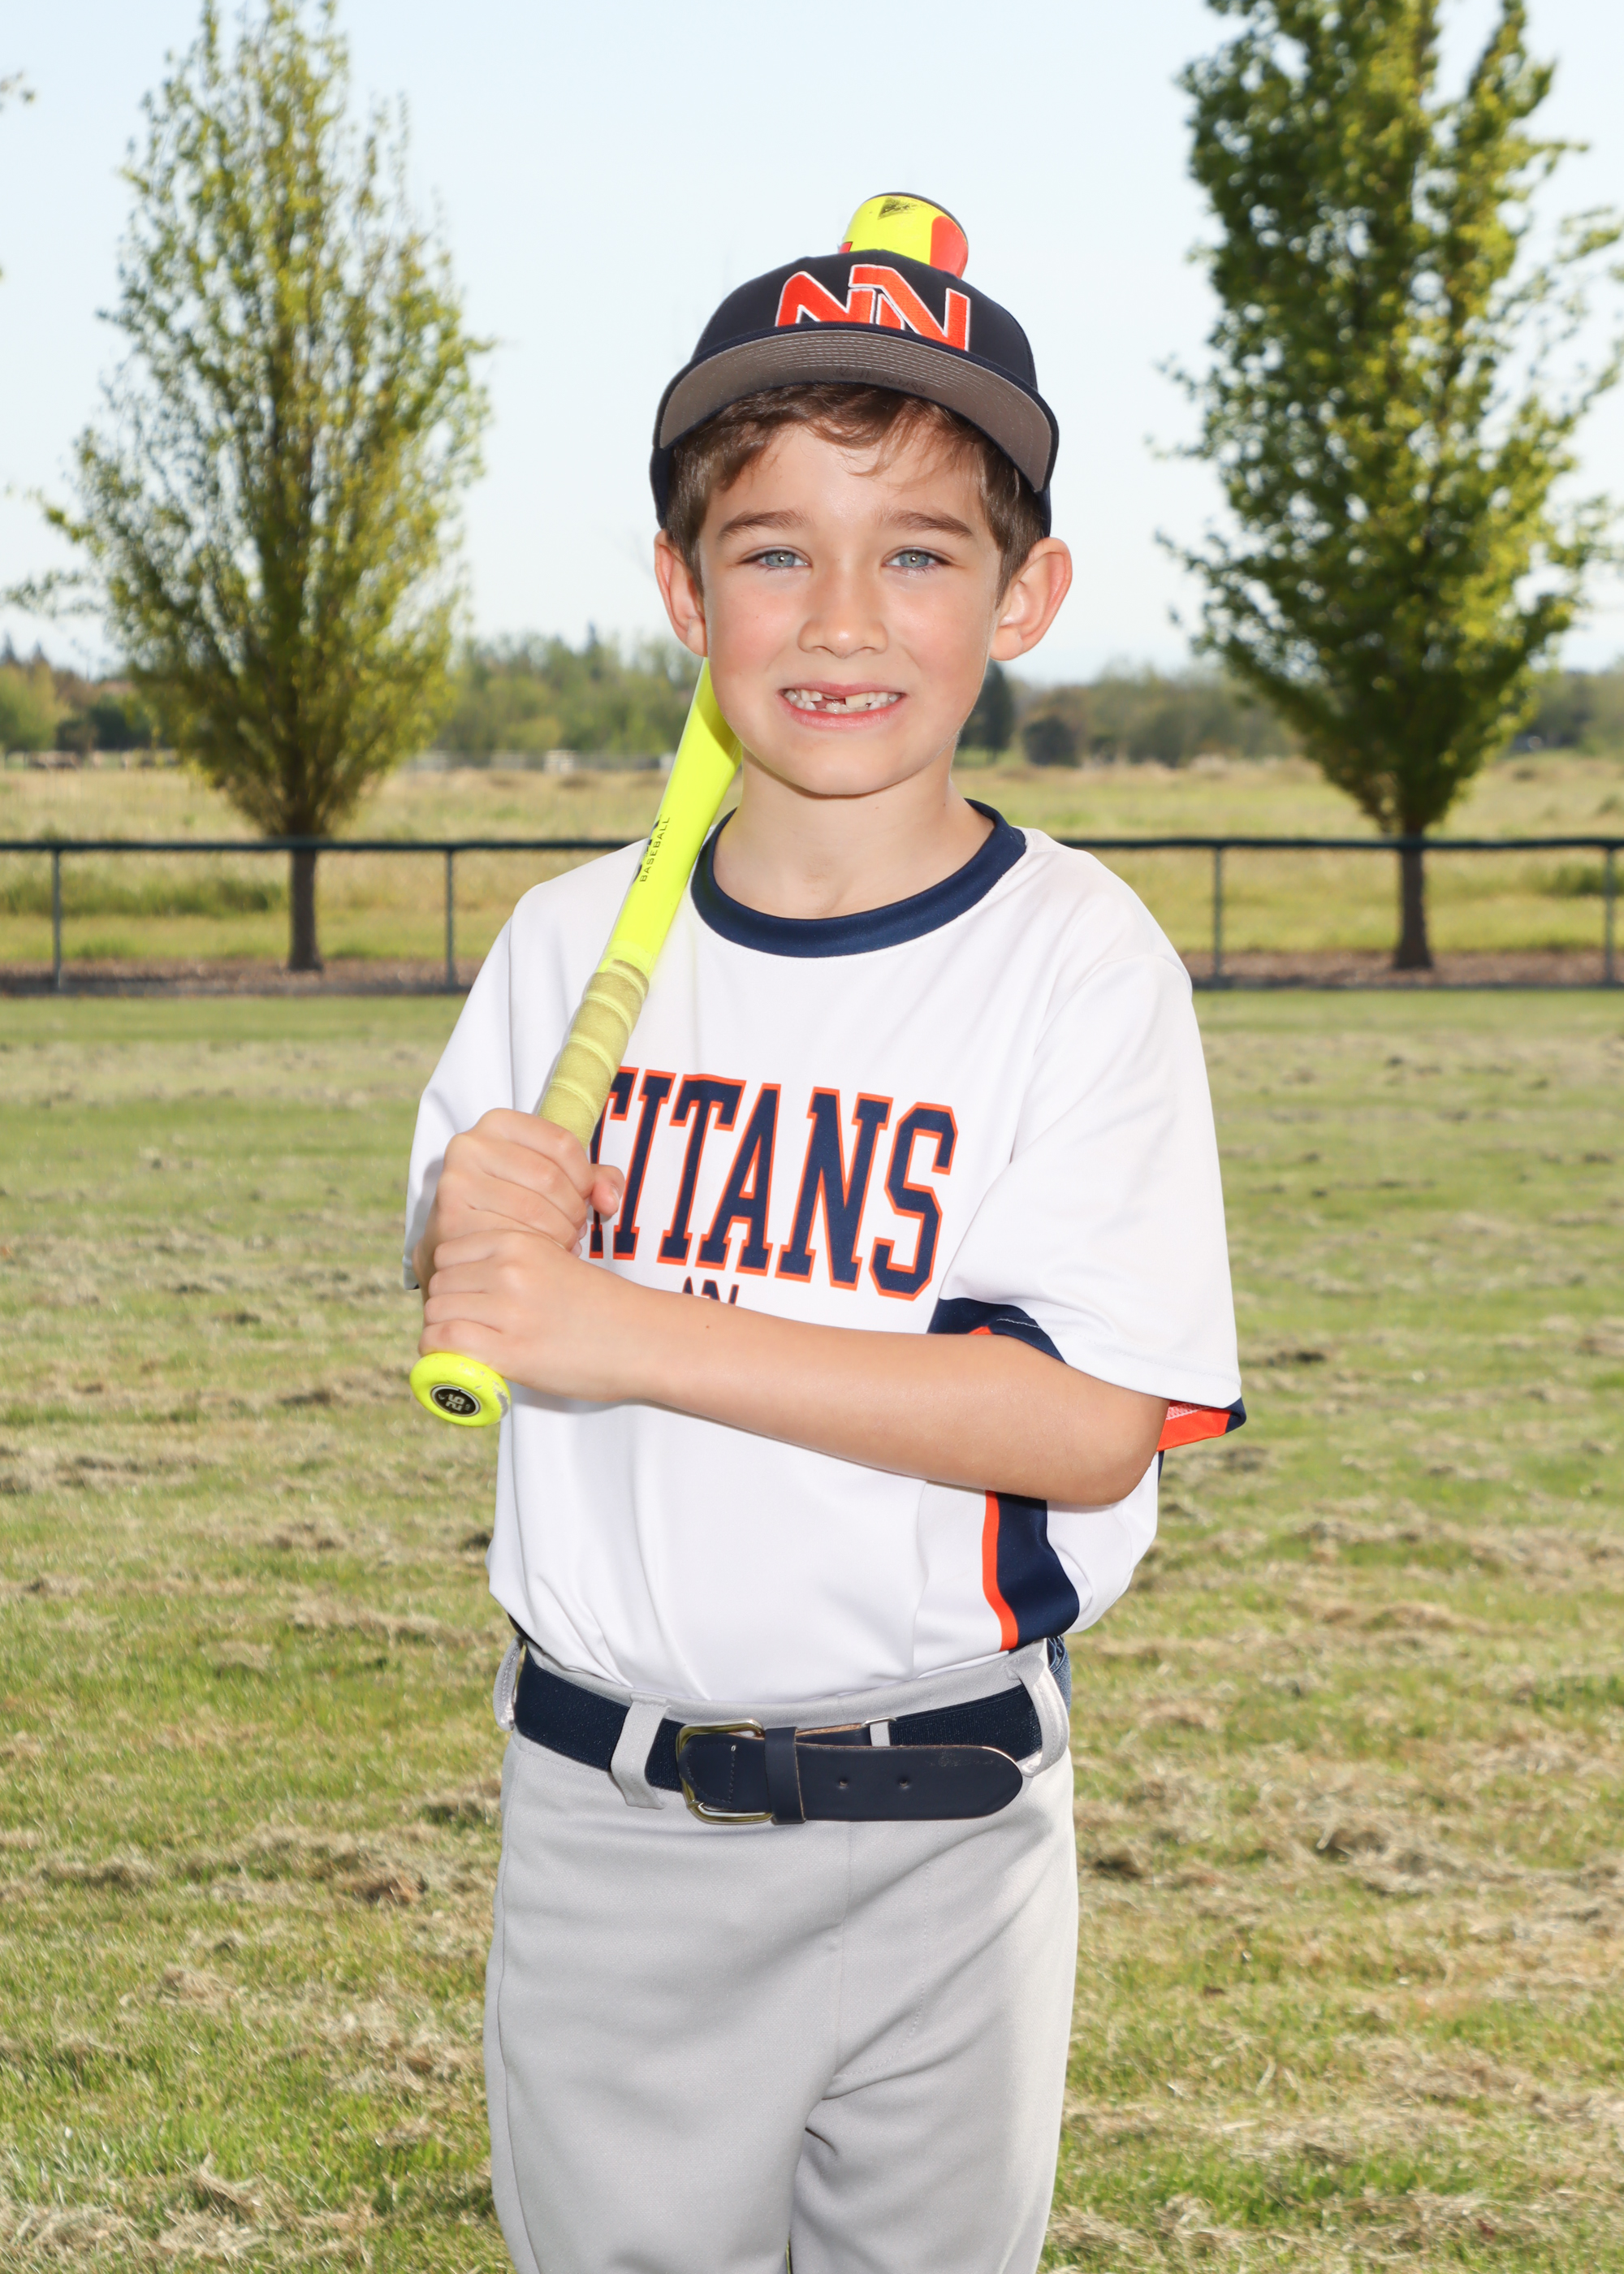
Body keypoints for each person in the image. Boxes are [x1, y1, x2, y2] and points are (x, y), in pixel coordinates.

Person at [404, 193, 1242, 2274]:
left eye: (920, 554)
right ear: (683, 591)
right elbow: (478, 1276)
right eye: (774, 551)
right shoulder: (562, 945)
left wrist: (619, 1326)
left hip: (953, 1812)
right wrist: (465, 1229)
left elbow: (1086, 1427)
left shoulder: (1079, 958)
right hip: (617, 1819)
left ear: (1026, 594)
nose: (842, 618)